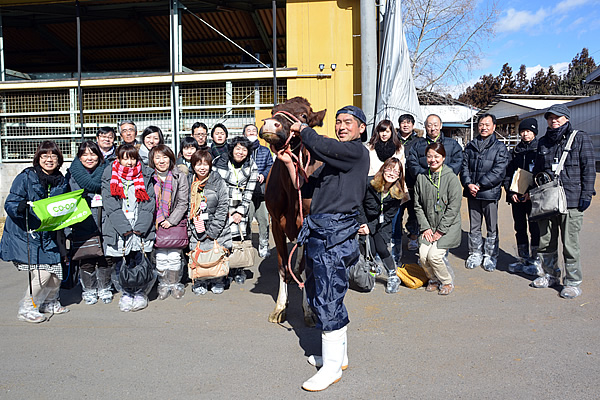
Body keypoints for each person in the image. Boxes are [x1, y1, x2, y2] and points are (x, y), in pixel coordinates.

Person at [283, 105, 369, 392]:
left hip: (335, 235)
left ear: (361, 128)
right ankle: (338, 356)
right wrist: (287, 163)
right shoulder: (334, 162)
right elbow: (303, 187)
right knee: (324, 294)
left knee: (328, 295)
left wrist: (304, 130)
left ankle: (331, 368)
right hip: (321, 232)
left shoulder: (355, 152)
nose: (342, 126)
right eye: (338, 122)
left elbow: (321, 144)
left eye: (348, 122)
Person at [530, 104, 595, 299]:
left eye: (558, 117)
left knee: (570, 243)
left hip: (572, 199)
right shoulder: (542, 142)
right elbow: (537, 171)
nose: (554, 120)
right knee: (546, 240)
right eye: (550, 117)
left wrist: (586, 195)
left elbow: (589, 168)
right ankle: (550, 275)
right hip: (548, 200)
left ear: (566, 118)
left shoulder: (580, 138)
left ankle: (572, 282)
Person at [0, 141, 70, 323]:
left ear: (59, 159)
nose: (49, 160)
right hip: (25, 233)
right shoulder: (26, 177)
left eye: (53, 156)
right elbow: (11, 203)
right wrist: (20, 207)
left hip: (47, 234)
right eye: (44, 156)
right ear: (38, 158)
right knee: (42, 274)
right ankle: (27, 307)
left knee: (56, 274)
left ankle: (49, 302)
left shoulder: (61, 181)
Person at [102, 144, 156, 312]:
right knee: (121, 263)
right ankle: (125, 293)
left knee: (139, 262)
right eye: (125, 158)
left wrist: (140, 227)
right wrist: (124, 227)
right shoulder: (109, 176)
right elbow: (110, 205)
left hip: (140, 227)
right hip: (119, 229)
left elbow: (149, 204)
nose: (130, 162)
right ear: (118, 159)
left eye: (133, 157)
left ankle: (140, 293)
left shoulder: (145, 175)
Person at [460, 113, 509, 272]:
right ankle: (475, 253)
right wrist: (468, 184)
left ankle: (490, 255)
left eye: (487, 124)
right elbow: (464, 167)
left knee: (491, 226)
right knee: (474, 226)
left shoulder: (500, 147)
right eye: (481, 124)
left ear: (494, 127)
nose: (484, 127)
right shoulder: (470, 145)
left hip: (489, 193)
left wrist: (480, 184)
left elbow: (499, 171)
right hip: (472, 193)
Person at [67, 141, 113, 305]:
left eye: (93, 154)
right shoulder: (72, 174)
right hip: (83, 222)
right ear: (79, 157)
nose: (89, 158)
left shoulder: (108, 171)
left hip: (106, 221)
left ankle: (104, 288)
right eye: (85, 154)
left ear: (99, 156)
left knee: (106, 258)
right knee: (86, 258)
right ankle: (89, 290)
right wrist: (67, 230)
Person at [414, 143, 462, 295]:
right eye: (429, 156)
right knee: (422, 256)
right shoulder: (421, 178)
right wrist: (425, 227)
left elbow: (453, 208)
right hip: (429, 226)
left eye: (436, 156)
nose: (432, 160)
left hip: (447, 227)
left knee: (434, 256)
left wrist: (440, 231)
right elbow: (417, 206)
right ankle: (433, 278)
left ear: (443, 158)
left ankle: (446, 281)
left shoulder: (451, 178)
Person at [357, 157, 408, 294]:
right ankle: (370, 276)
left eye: (396, 172)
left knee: (382, 248)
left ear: (399, 176)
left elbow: (388, 216)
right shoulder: (369, 183)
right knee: (370, 250)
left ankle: (392, 275)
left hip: (381, 224)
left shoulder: (397, 193)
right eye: (389, 169)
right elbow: (358, 204)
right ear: (383, 169)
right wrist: (363, 224)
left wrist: (371, 227)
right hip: (364, 220)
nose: (392, 173)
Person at [213, 136, 258, 285]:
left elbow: (250, 191)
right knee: (224, 238)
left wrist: (240, 211)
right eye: (238, 148)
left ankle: (239, 269)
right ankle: (224, 271)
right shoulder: (219, 163)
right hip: (223, 205)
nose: (240, 152)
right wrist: (224, 210)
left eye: (244, 149)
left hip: (241, 205)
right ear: (232, 149)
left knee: (240, 237)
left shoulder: (252, 165)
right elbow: (215, 189)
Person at [188, 150, 232, 295]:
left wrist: (212, 230)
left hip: (217, 226)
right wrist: (195, 228)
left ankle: (218, 279)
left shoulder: (218, 181)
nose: (202, 168)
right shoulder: (189, 182)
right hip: (196, 225)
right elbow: (187, 205)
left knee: (216, 253)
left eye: (205, 164)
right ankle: (200, 280)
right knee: (200, 254)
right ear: (193, 165)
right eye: (198, 164)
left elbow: (223, 206)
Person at [149, 144, 189, 300]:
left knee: (173, 256)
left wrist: (171, 220)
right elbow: (148, 201)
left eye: (165, 157)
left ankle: (174, 284)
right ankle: (163, 285)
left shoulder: (180, 176)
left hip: (175, 222)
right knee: (160, 258)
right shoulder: (149, 177)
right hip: (156, 221)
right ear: (152, 160)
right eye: (157, 157)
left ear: (171, 158)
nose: (161, 161)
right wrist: (160, 219)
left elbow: (183, 201)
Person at [504, 118, 541, 275]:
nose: (525, 134)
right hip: (517, 198)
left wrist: (531, 193)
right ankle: (523, 258)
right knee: (519, 228)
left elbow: (542, 175)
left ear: (534, 132)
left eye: (528, 131)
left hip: (533, 198)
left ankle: (536, 260)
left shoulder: (540, 150)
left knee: (535, 228)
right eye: (523, 131)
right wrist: (510, 192)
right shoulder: (515, 151)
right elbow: (508, 174)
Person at [244, 123, 274, 258]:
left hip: (262, 192)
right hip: (246, 192)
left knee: (264, 220)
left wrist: (264, 175)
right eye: (248, 130)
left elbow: (270, 165)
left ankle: (263, 244)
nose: (251, 132)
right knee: (247, 220)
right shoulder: (242, 150)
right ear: (244, 134)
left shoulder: (265, 150)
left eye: (253, 130)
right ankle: (247, 245)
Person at [393, 114, 420, 256]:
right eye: (403, 122)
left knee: (414, 212)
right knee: (396, 212)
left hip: (413, 183)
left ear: (413, 125)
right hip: (397, 184)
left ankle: (413, 236)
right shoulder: (393, 139)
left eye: (408, 123)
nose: (406, 125)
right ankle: (395, 238)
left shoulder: (419, 141)